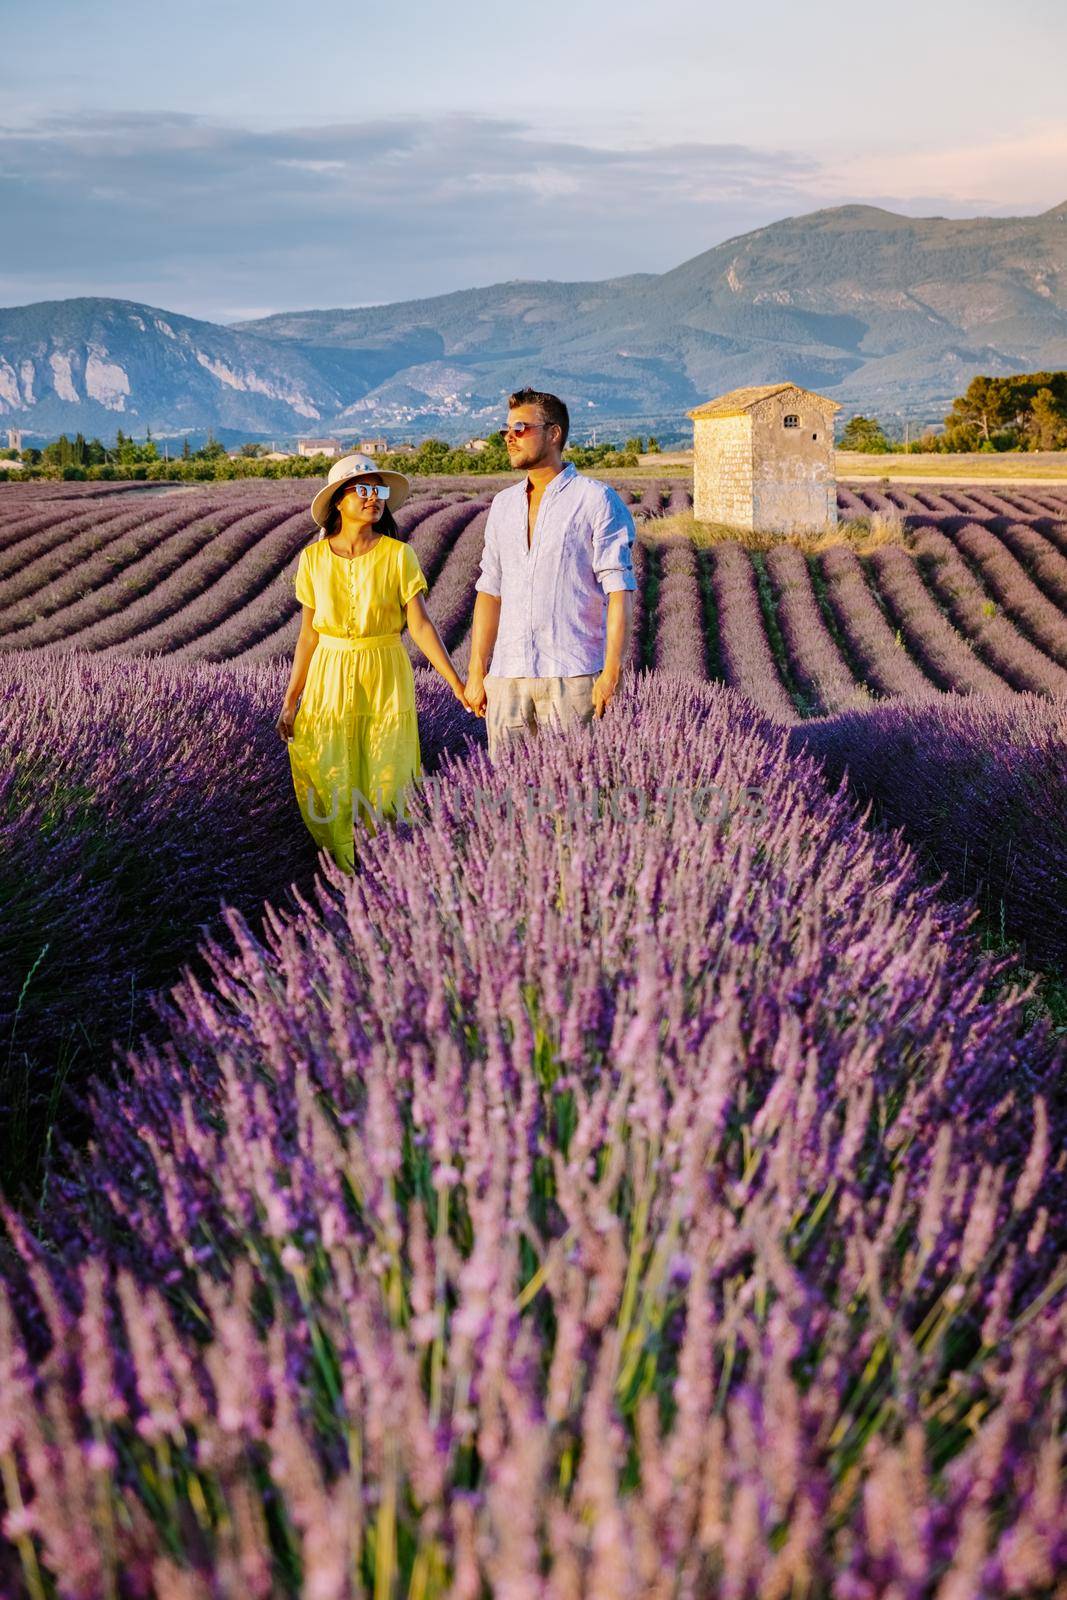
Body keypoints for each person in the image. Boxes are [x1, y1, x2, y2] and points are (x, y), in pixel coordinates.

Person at [277, 453, 471, 872]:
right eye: (363, 489)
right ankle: (346, 872)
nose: (374, 498)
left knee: (388, 775)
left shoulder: (399, 556)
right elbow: (308, 635)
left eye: (378, 490)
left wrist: (457, 683)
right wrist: (292, 699)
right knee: (329, 772)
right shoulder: (312, 560)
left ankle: (388, 870)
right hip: (328, 675)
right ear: (339, 502)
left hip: (383, 672)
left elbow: (419, 626)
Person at [463, 388, 636, 762]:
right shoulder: (503, 506)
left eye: (520, 428)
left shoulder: (596, 500)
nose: (509, 438)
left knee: (577, 797)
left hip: (573, 677)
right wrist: (478, 672)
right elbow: (489, 592)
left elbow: (619, 591)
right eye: (505, 431)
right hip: (507, 678)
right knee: (504, 800)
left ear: (553, 434)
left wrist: (611, 673)